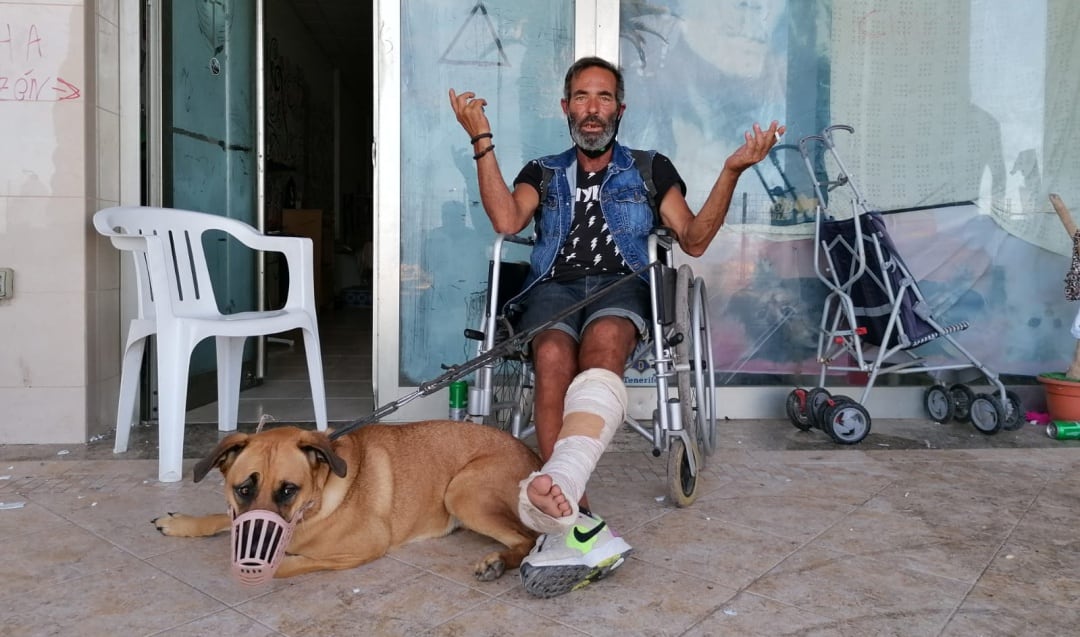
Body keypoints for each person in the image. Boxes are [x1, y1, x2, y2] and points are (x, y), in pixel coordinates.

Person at [449, 56, 783, 598]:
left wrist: (732, 169)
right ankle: (573, 508)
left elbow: (694, 239)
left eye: (603, 98)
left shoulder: (650, 169)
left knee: (602, 345)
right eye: (582, 97)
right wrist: (482, 138)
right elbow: (508, 222)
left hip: (622, 285)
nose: (592, 109)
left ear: (619, 110)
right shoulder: (542, 170)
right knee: (553, 355)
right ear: (566, 108)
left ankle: (559, 494)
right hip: (551, 289)